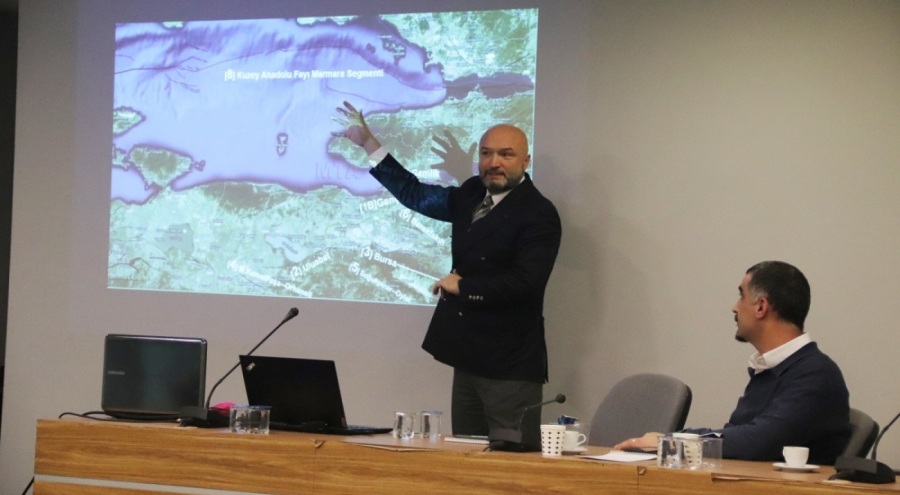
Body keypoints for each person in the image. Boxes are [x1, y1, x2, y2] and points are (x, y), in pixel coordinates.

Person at [333, 101, 561, 449]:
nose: (494, 162)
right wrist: (369, 144)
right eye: (486, 153)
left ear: (526, 162)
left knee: (510, 468)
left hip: (510, 365)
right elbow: (416, 194)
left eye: (506, 154)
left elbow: (526, 284)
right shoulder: (472, 193)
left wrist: (464, 286)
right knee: (465, 456)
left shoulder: (539, 214)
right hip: (468, 355)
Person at [614, 261, 851, 465]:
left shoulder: (816, 375)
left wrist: (671, 442)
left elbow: (756, 443)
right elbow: (735, 436)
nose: (734, 307)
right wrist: (673, 439)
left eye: (741, 296)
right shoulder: (771, 369)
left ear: (761, 307)